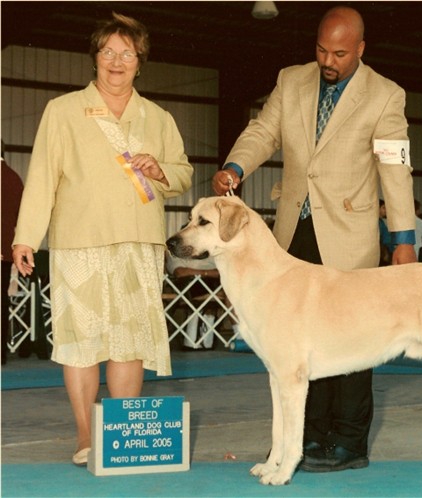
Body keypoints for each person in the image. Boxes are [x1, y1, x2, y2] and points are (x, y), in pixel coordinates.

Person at [212, 6, 416, 473]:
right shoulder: (292, 80)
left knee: (353, 341)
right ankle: (302, 442)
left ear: (360, 50)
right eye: (322, 50)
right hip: (291, 232)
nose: (329, 60)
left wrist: (403, 239)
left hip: (350, 235)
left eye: (340, 53)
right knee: (296, 343)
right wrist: (235, 166)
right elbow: (263, 132)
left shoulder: (386, 95)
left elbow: (395, 169)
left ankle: (347, 443)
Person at [12, 13, 193, 466]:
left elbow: (184, 173)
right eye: (108, 52)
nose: (117, 61)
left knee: (129, 342)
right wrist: (25, 238)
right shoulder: (63, 111)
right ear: (94, 58)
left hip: (139, 240)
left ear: (140, 61)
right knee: (81, 341)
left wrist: (161, 172)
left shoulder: (158, 116)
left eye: (127, 53)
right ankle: (85, 436)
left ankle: (122, 437)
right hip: (79, 242)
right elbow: (41, 180)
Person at [1, 143, 24, 365]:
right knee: (2, 300)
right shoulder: (14, 178)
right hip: (5, 251)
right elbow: (21, 217)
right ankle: (0, 352)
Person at [378, 199, 393, 266]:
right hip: (381, 253)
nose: (386, 210)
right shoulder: (378, 223)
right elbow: (386, 240)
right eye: (383, 208)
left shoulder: (381, 222)